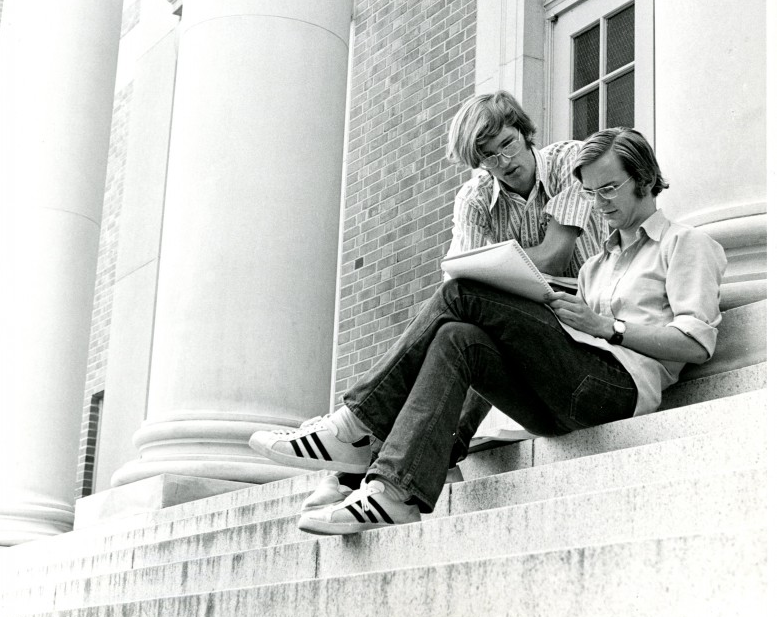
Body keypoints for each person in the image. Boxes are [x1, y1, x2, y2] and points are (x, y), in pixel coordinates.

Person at [250, 126, 726, 535]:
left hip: (617, 391)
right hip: (563, 398)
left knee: (461, 292)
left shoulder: (686, 244)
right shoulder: (596, 267)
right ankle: (394, 492)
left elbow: (696, 343)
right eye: (590, 193)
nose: (599, 204)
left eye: (609, 189)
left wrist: (608, 327)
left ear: (644, 179)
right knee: (458, 338)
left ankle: (356, 426)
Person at [250, 90, 606, 513]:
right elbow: (464, 279)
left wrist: (491, 284)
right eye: (487, 157)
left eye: (507, 144)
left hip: (583, 328)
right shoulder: (476, 199)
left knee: (464, 306)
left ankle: (354, 436)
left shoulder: (571, 161)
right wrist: (488, 288)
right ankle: (367, 457)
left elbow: (554, 256)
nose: (503, 162)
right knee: (458, 330)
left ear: (525, 131)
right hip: (518, 332)